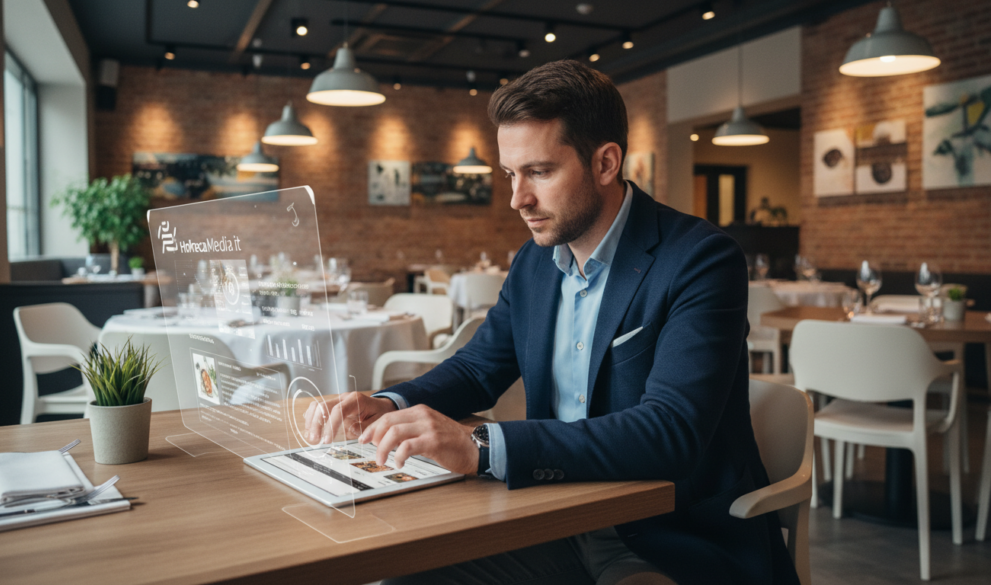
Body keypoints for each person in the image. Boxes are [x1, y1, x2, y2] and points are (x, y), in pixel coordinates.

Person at [304, 60, 799, 585]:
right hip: (550, 516)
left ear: (605, 162)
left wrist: (480, 446)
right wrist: (390, 403)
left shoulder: (701, 260)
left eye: (539, 172)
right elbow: (477, 368)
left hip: (665, 539)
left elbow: (670, 432)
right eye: (510, 174)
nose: (517, 199)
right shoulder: (534, 262)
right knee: (403, 576)